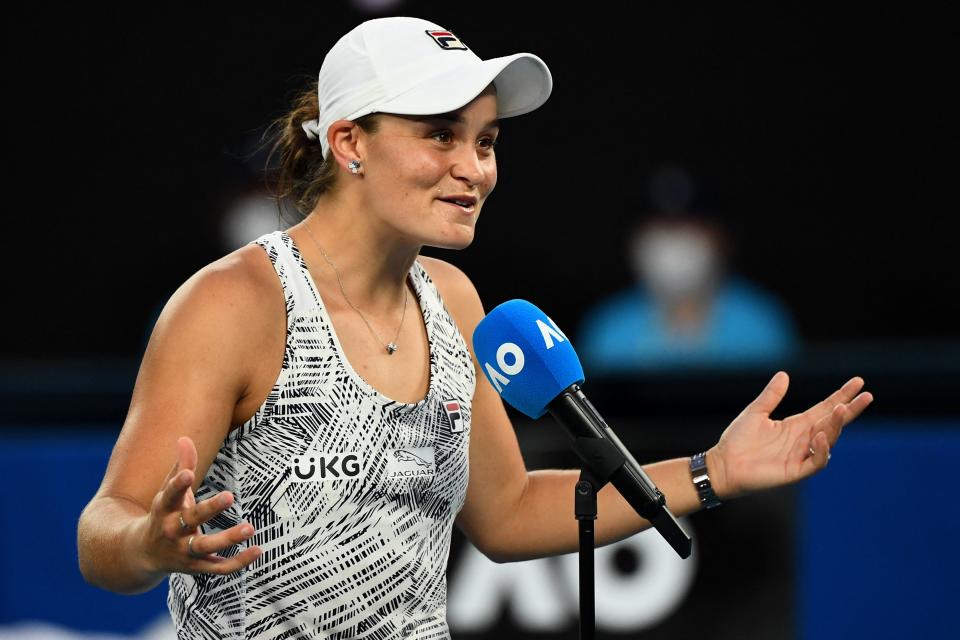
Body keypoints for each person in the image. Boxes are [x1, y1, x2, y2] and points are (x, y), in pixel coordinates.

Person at [76, 16, 874, 639]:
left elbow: (509, 510)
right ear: (350, 143)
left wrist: (714, 472)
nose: (476, 168)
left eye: (486, 141)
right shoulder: (233, 303)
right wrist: (150, 542)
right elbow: (102, 531)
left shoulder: (456, 301)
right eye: (441, 135)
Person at [577, 179, 800, 373]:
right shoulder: (608, 328)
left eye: (689, 228)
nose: (675, 243)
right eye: (661, 229)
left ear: (721, 240)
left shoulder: (761, 323)